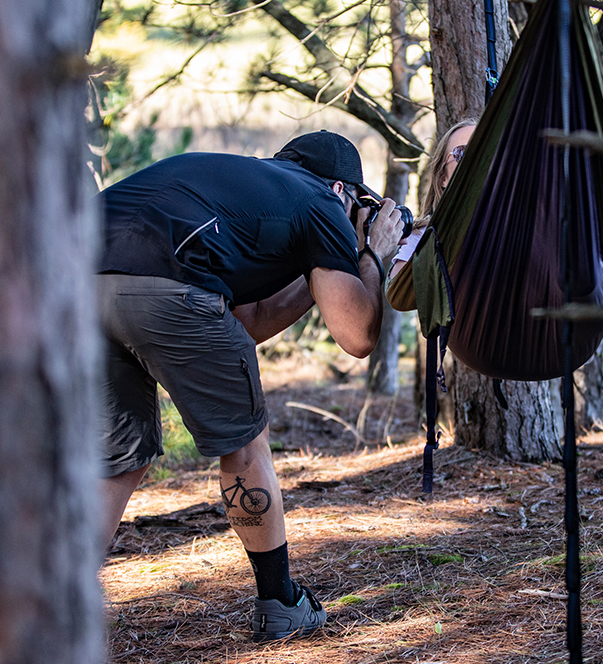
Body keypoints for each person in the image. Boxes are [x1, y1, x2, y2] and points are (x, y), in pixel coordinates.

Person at [96, 130, 403, 642]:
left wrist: (316, 273)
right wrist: (372, 253)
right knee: (245, 445)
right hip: (167, 283)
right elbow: (356, 335)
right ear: (344, 192)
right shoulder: (322, 202)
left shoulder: (249, 188)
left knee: (117, 460)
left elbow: (245, 323)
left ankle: (53, 606)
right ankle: (280, 602)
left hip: (74, 278)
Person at [389, 119, 477, 279]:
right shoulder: (423, 238)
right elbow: (398, 293)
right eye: (463, 153)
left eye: (485, 152)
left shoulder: (525, 226)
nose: (476, 161)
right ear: (443, 177)